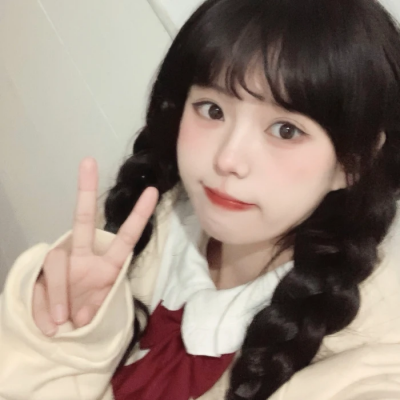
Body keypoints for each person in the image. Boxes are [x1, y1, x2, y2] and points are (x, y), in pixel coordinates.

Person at [1, 0, 400, 399]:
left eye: (285, 130)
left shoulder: (367, 360)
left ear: (353, 162)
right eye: (212, 110)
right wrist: (69, 337)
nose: (227, 159)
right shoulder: (151, 224)